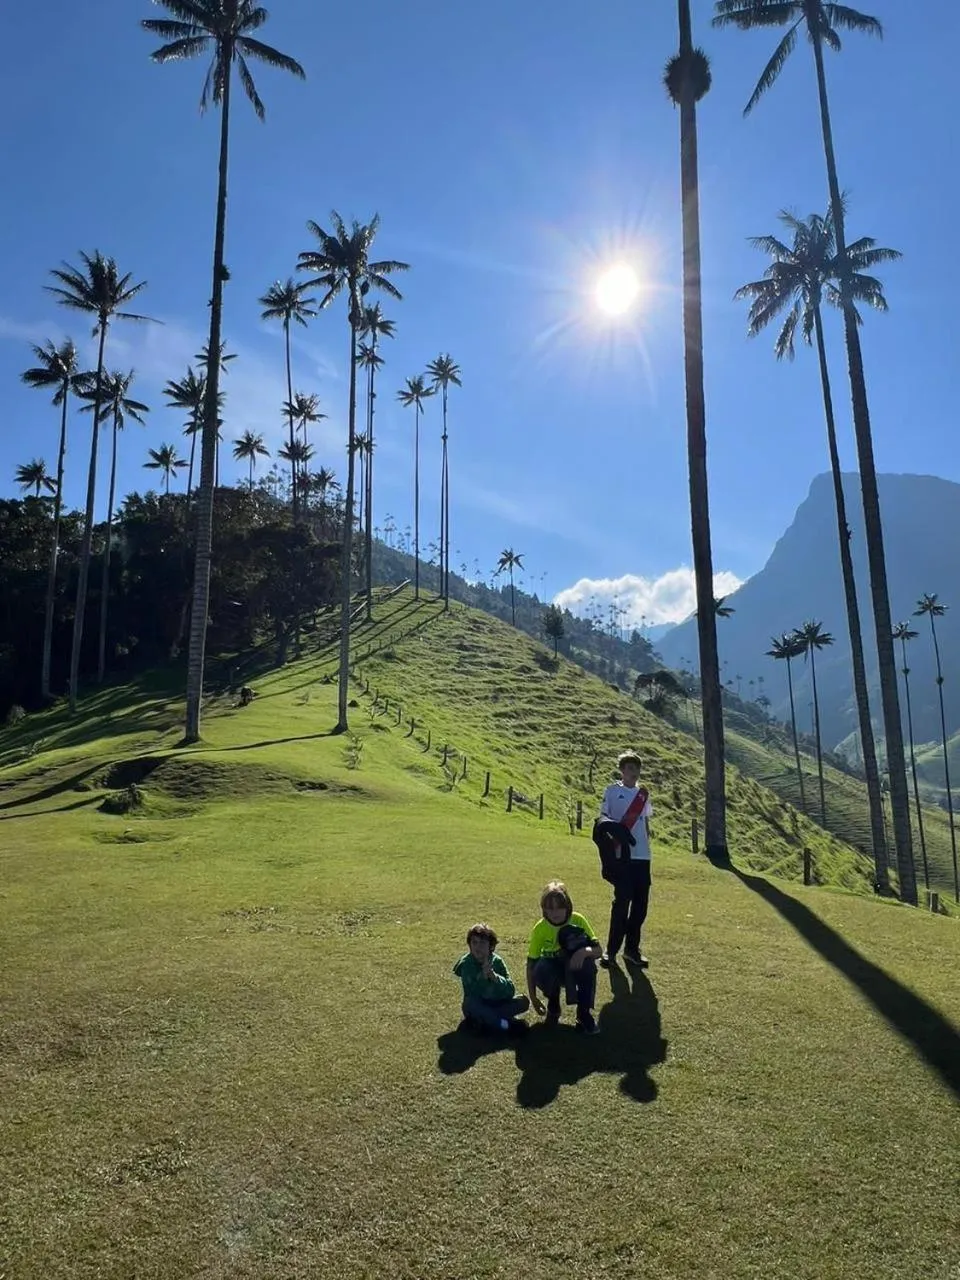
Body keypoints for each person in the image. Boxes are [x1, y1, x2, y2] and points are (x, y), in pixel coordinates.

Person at [597, 749, 653, 968]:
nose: (634, 772)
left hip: (643, 856)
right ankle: (611, 951)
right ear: (622, 770)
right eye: (630, 768)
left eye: (637, 768)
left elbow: (645, 822)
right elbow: (603, 818)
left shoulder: (643, 794)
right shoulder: (612, 791)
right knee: (621, 904)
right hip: (623, 856)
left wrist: (647, 845)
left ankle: (631, 950)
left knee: (640, 907)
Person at [525, 881, 602, 1035]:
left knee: (588, 965)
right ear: (544, 909)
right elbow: (531, 963)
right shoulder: (540, 928)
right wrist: (533, 998)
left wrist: (583, 952)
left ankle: (583, 1014)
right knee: (541, 967)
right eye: (550, 908)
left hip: (575, 967)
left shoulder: (578, 920)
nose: (555, 912)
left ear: (567, 906)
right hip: (553, 969)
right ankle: (553, 1005)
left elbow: (598, 950)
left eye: (559, 907)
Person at [453, 923, 529, 1034]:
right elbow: (472, 993)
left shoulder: (497, 961)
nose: (478, 947)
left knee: (523, 1001)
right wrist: (483, 978)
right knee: (471, 1005)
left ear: (491, 946)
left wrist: (495, 978)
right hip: (478, 1005)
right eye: (474, 943)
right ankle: (507, 1025)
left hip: (496, 1003)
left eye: (482, 943)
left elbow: (510, 992)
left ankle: (484, 1023)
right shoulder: (466, 964)